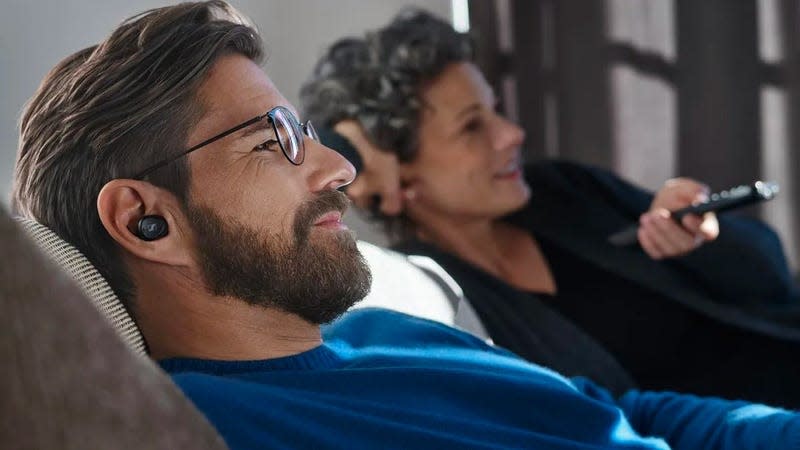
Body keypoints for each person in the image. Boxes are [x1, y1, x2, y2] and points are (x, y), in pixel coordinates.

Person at [13, 2, 800, 449]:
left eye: (309, 132)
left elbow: (624, 414)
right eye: (273, 142)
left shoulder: (397, 329)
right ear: (147, 220)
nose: (337, 170)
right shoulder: (214, 429)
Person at [300, 10, 800, 404]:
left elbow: (772, 277)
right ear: (398, 174)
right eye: (473, 127)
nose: (512, 134)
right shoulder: (443, 304)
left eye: (494, 110)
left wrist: (701, 240)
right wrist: (353, 158)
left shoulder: (563, 189)